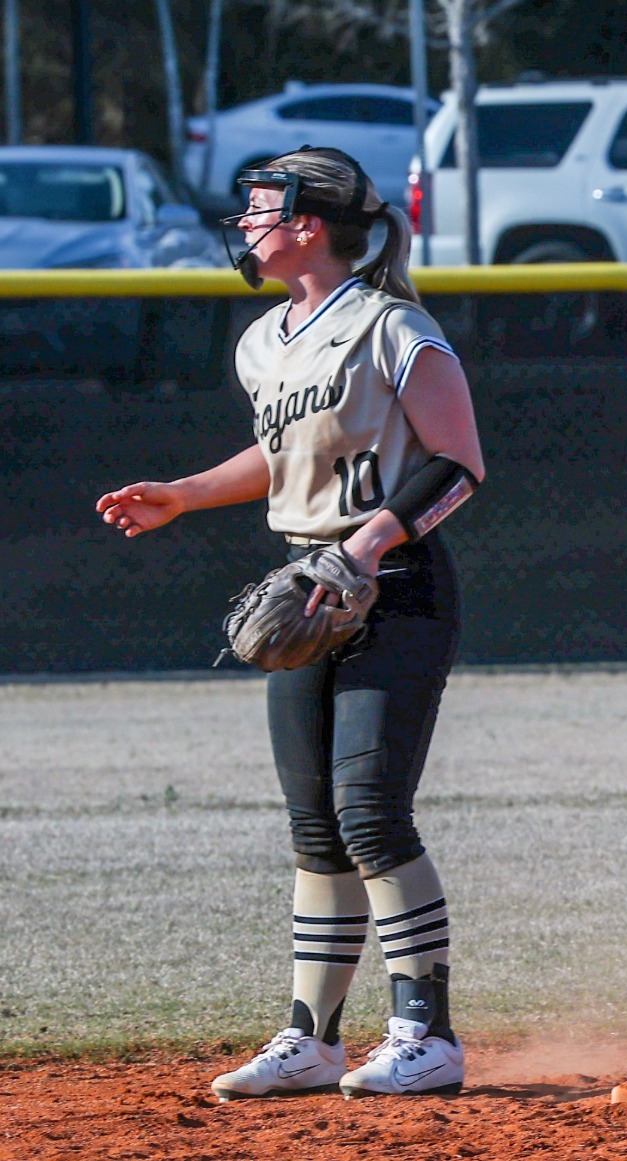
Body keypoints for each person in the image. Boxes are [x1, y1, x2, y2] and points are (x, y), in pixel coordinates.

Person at [95, 146, 486, 1099]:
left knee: (369, 812)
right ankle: (313, 1038)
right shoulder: (265, 339)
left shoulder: (394, 326)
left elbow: (459, 463)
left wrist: (367, 547)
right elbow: (283, 456)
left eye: (261, 208)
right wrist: (183, 495)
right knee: (315, 827)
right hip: (308, 578)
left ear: (309, 223)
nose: (247, 225)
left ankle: (427, 1033)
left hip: (395, 586)